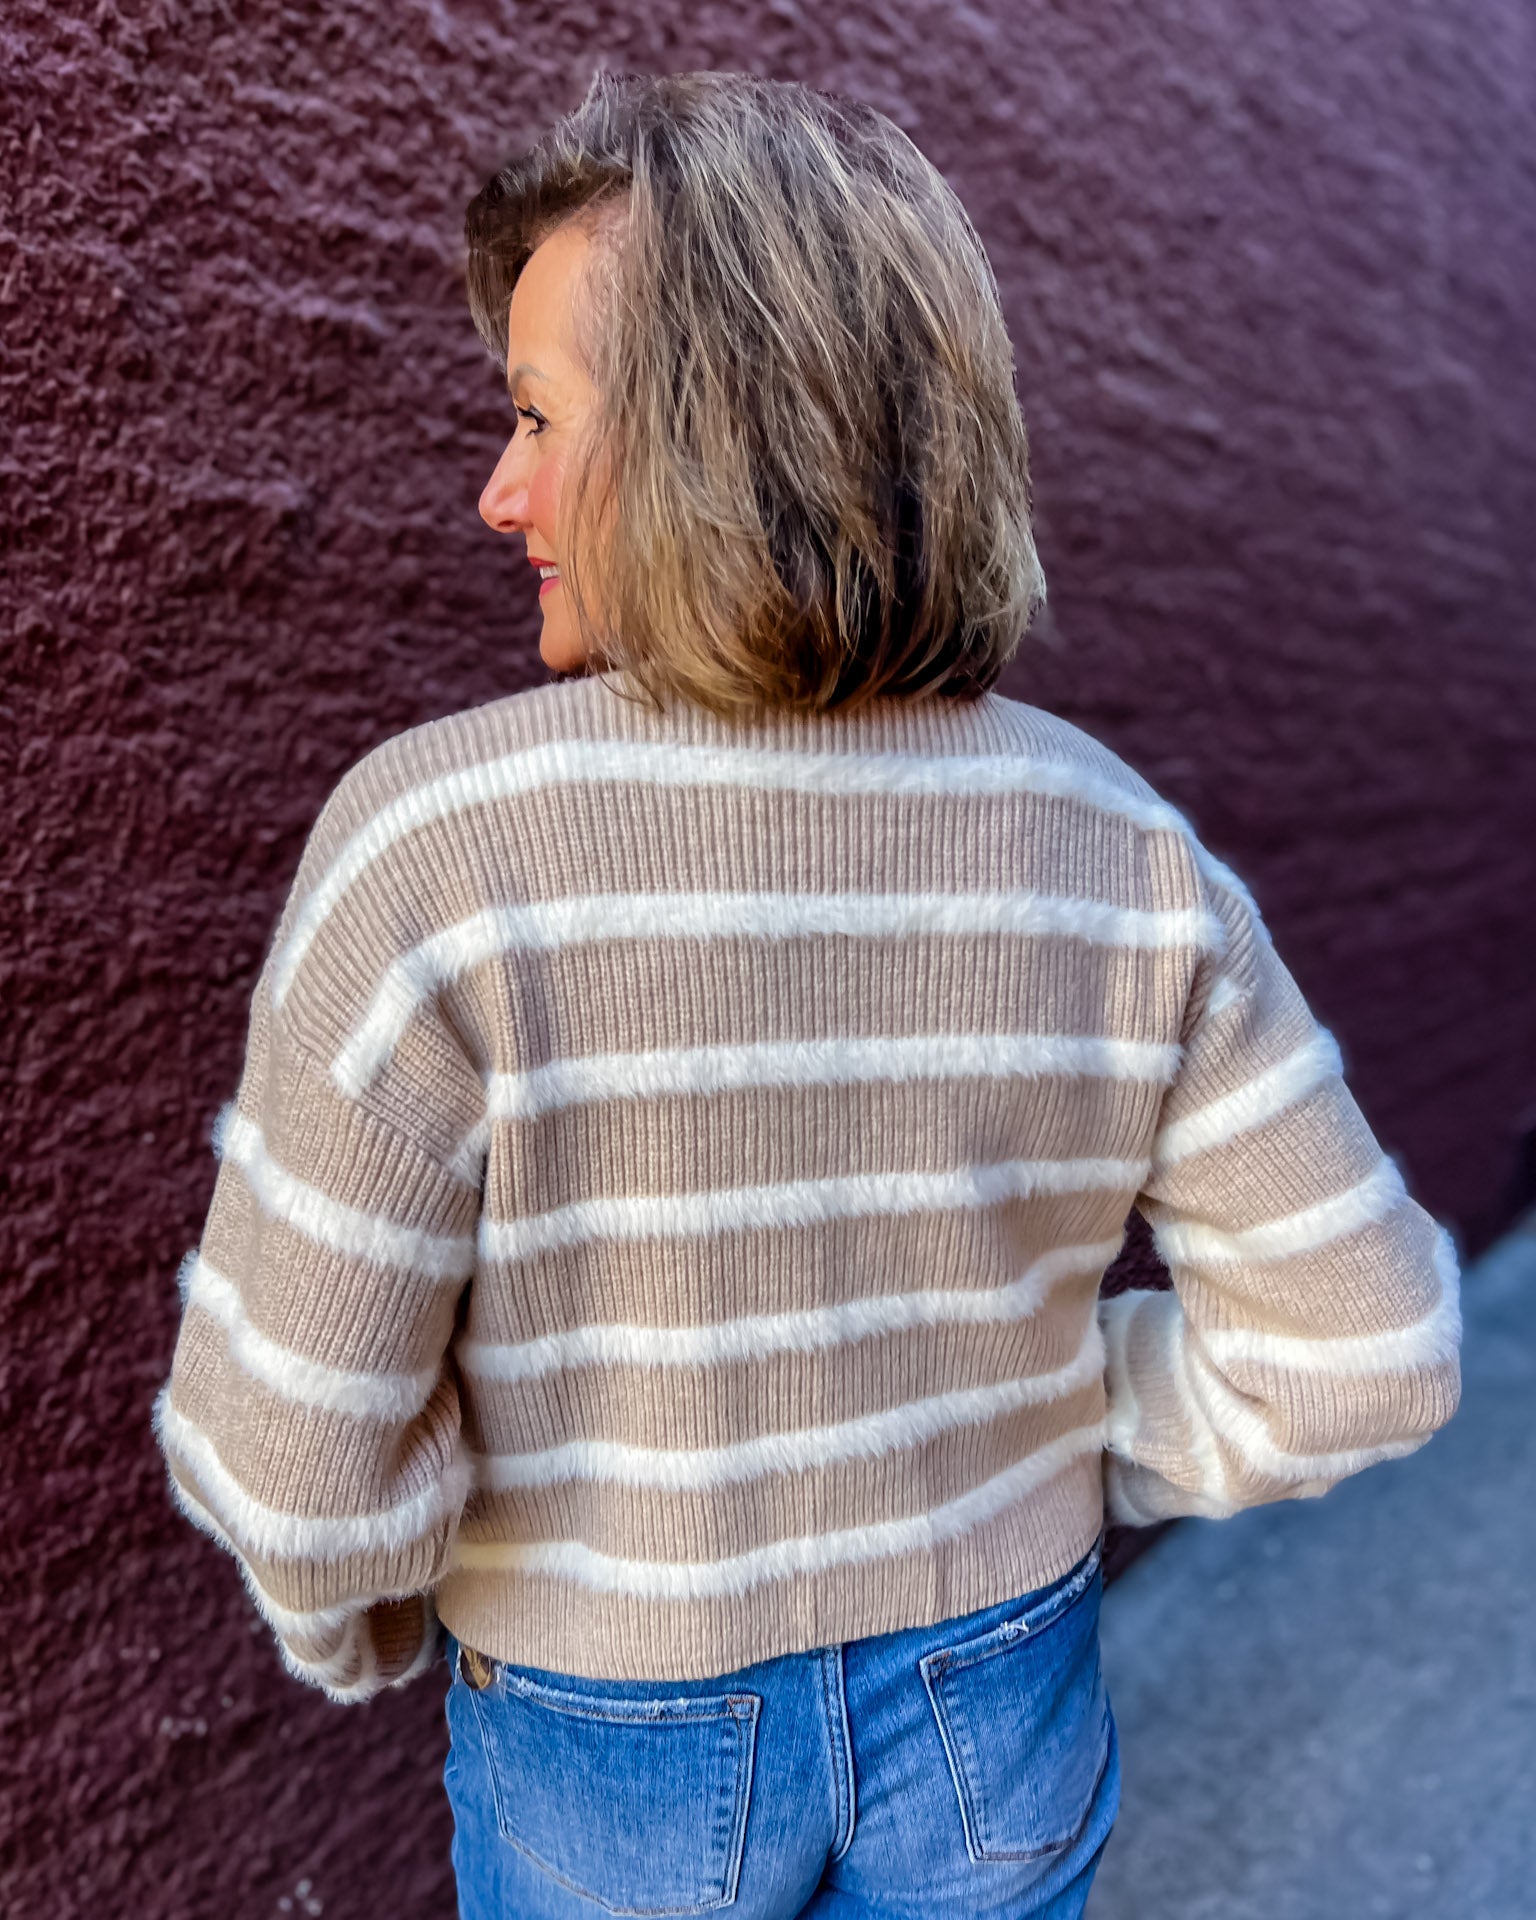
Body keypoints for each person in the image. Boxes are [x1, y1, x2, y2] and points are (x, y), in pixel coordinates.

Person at [151, 68, 1463, 1920]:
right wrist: (1053, 1444)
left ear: (708, 435)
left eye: (534, 416)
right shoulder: (1111, 841)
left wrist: (368, 1621)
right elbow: (1366, 1346)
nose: (494, 486)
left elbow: (293, 1454)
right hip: (997, 1694)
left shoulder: (436, 844)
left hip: (607, 1731)